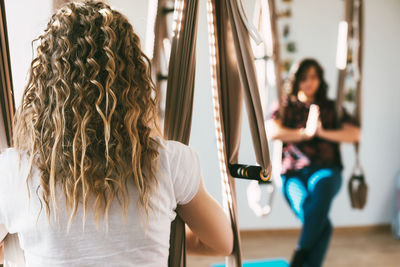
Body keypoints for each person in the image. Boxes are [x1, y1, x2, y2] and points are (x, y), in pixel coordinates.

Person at [0, 1, 233, 266]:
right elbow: (221, 242)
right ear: (133, 82)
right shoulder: (170, 162)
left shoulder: (15, 172)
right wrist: (162, 238)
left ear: (44, 87)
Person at [267, 58, 360, 267]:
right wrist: (305, 134)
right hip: (293, 173)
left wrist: (322, 132)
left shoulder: (329, 107)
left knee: (322, 186)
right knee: (321, 225)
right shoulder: (285, 106)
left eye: (314, 77)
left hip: (326, 170)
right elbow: (271, 131)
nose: (309, 83)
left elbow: (354, 134)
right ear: (296, 81)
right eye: (304, 78)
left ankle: (299, 256)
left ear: (320, 80)